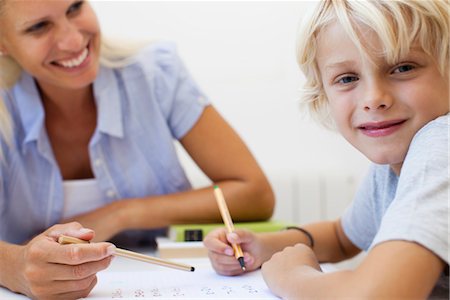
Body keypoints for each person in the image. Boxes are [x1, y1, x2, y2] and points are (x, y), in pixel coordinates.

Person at [0, 0, 275, 299]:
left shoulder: (155, 72)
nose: (73, 40)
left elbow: (255, 193)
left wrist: (120, 214)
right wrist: (16, 268)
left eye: (75, 7)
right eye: (38, 27)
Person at [204, 0, 449, 298]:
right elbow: (342, 237)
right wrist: (263, 245)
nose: (374, 98)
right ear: (324, 93)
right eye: (347, 78)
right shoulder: (392, 167)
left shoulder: (440, 147)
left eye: (403, 68)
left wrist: (292, 277)